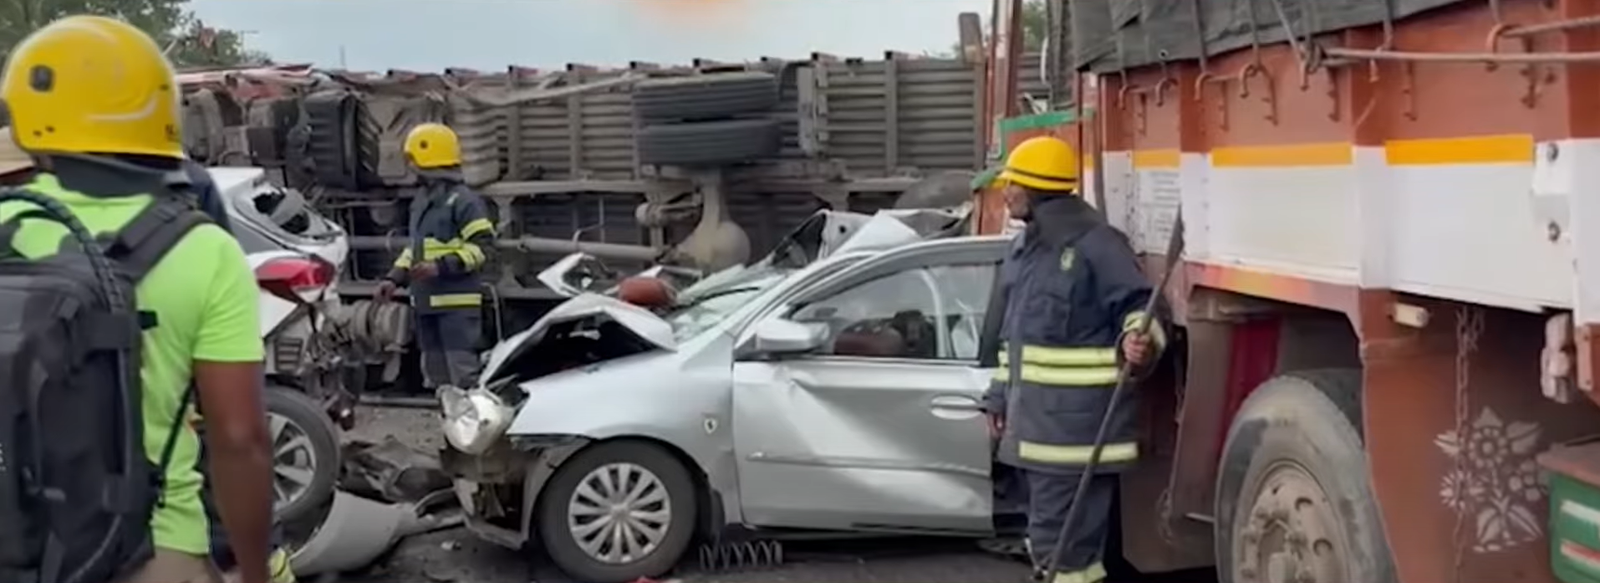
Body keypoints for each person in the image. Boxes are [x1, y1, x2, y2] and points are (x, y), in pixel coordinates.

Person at [0, 14, 275, 583]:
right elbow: (239, 440)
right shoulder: (205, 250)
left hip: (16, 538)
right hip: (151, 548)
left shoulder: (9, 223)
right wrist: (254, 571)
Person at [979, 136, 1165, 583]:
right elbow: (1015, 341)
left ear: (1036, 189)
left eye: (1013, 184)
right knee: (1050, 543)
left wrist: (1138, 341)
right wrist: (999, 397)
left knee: (1066, 552)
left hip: (1076, 436)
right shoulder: (1024, 250)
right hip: (1035, 434)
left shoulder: (1096, 245)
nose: (1006, 192)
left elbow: (1141, 307)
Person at [376, 122, 495, 390]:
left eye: (413, 159)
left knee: (463, 375)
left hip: (456, 307)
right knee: (436, 376)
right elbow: (415, 248)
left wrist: (441, 266)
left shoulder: (464, 201)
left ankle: (472, 417)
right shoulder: (422, 201)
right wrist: (393, 279)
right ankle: (446, 418)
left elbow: (483, 248)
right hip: (426, 303)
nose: (410, 166)